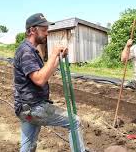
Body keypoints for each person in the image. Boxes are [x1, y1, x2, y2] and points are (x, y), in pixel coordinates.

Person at [13, 13, 86, 152]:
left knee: (27, 147)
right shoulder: (26, 51)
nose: (47, 33)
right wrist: (52, 55)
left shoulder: (30, 50)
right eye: (44, 29)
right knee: (75, 122)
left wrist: (58, 58)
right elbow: (40, 80)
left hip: (26, 108)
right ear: (32, 30)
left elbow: (45, 73)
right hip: (34, 108)